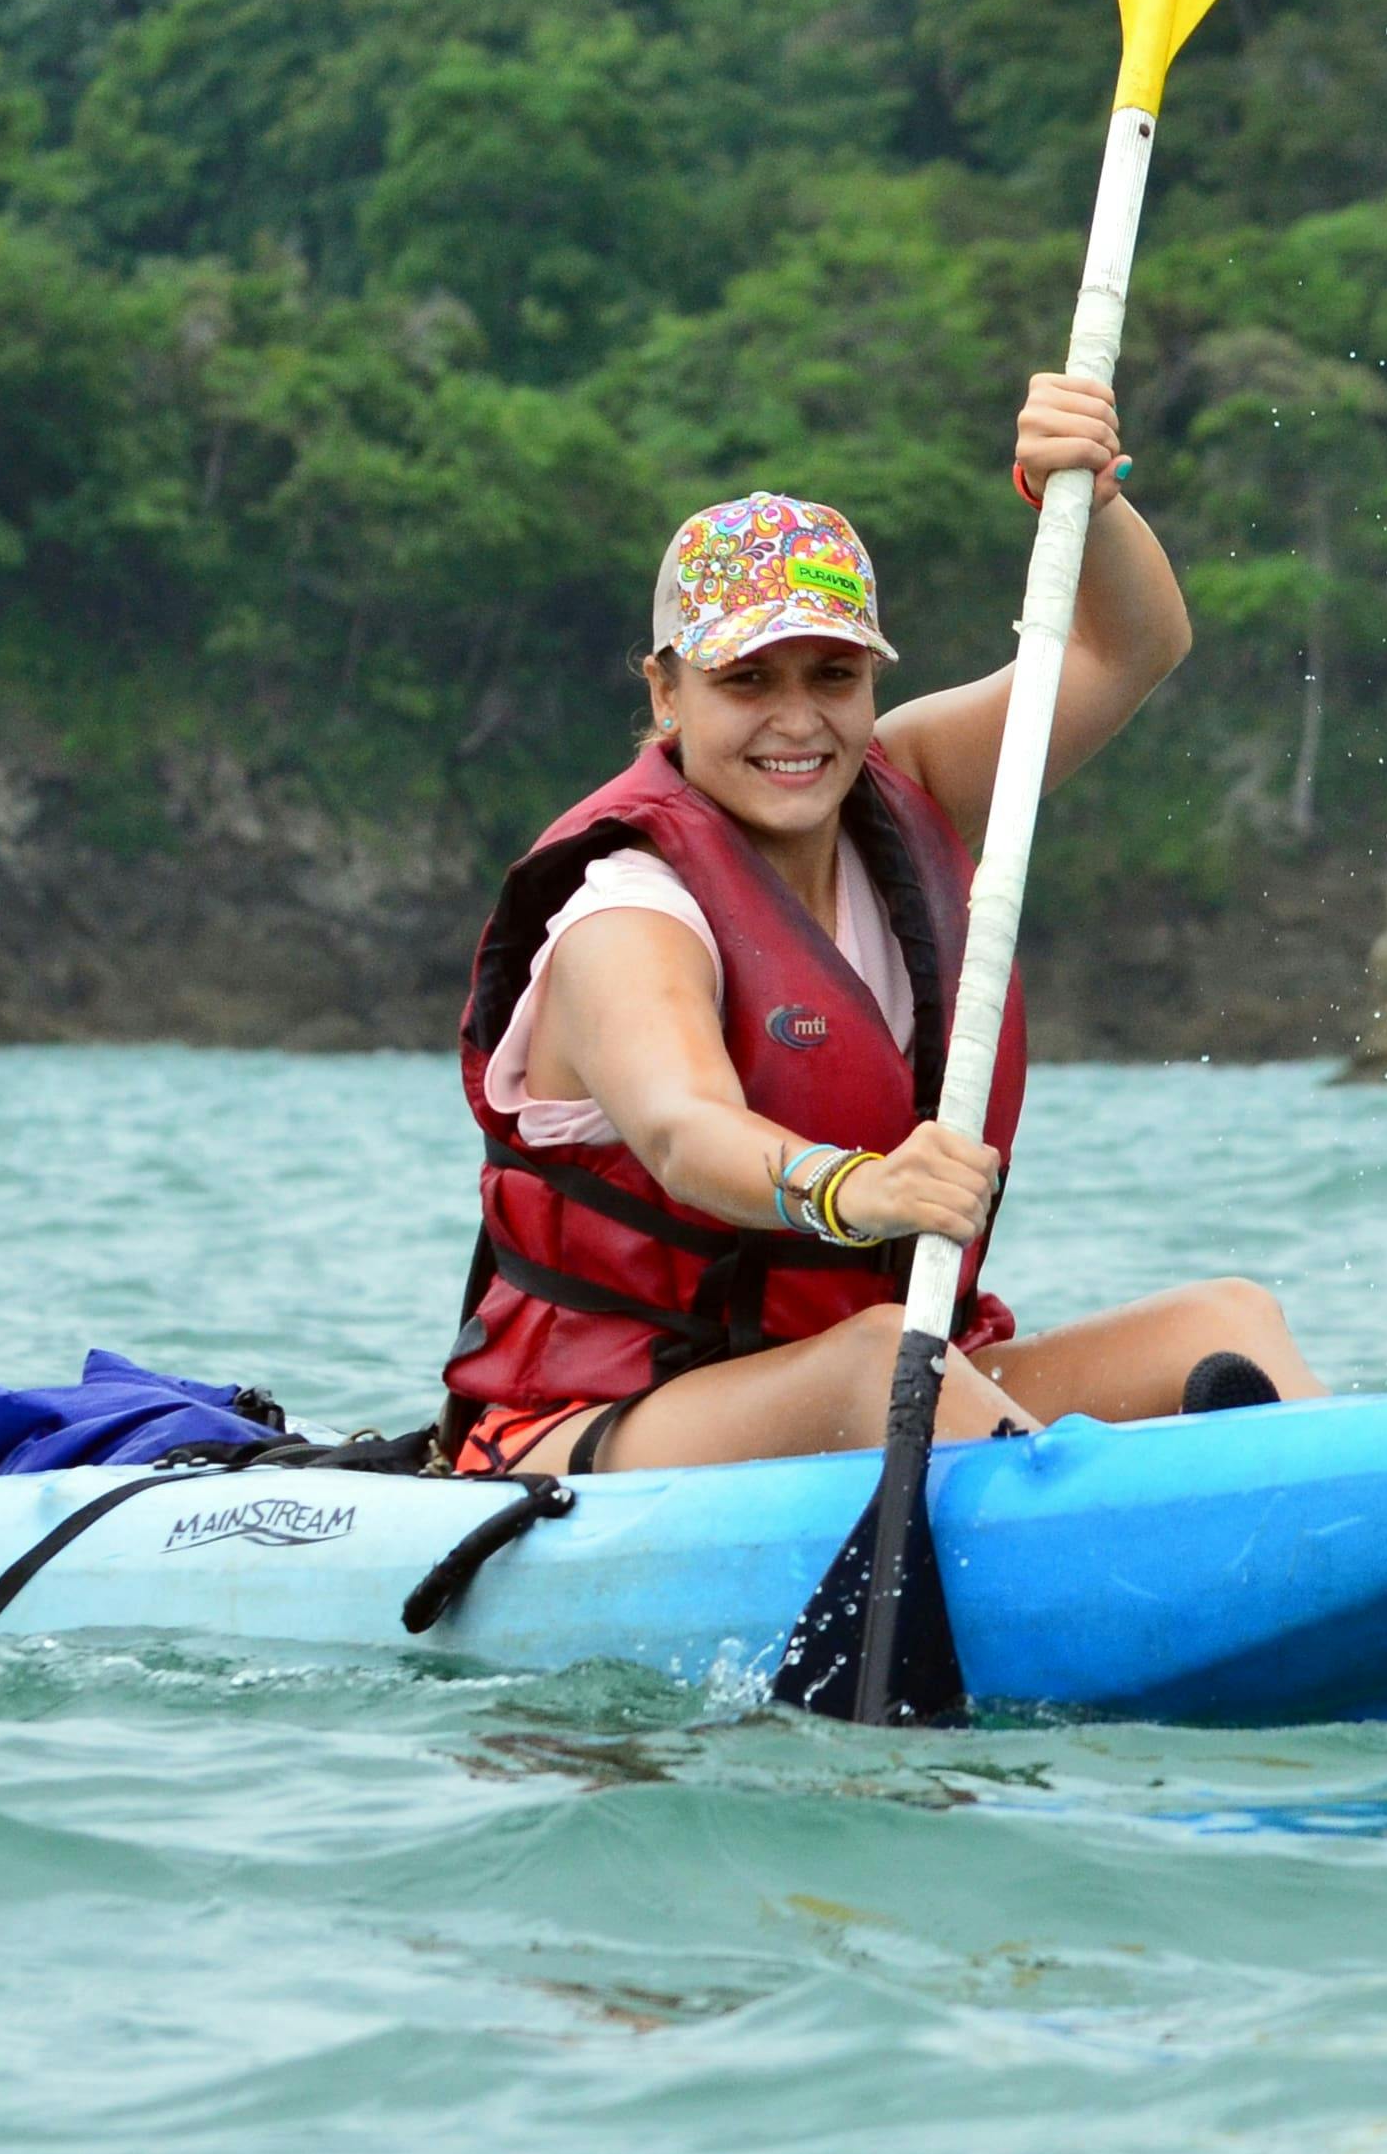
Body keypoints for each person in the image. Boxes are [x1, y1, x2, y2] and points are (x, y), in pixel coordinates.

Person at [439, 373, 1323, 1477]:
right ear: (667, 694)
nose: (797, 719)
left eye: (833, 674)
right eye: (745, 680)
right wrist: (847, 1186)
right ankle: (1105, 1554)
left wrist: (1086, 501)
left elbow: (1122, 652)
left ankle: (1362, 1542)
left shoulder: (909, 791)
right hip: (609, 1424)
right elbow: (678, 1126)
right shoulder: (626, 907)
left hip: (898, 1377)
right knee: (873, 1364)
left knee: (1222, 1320)